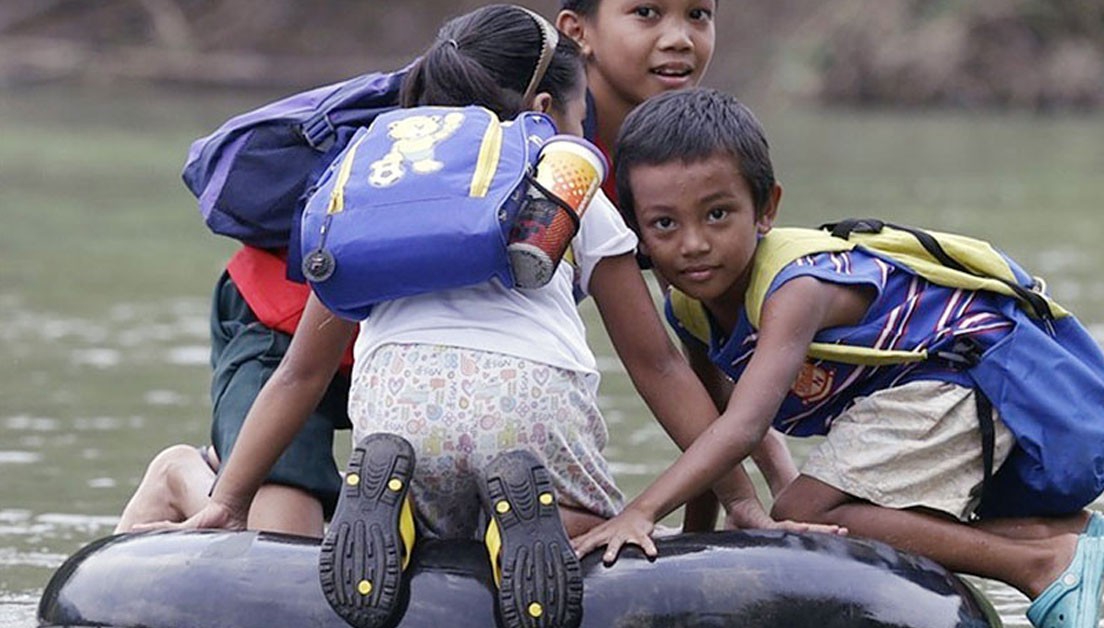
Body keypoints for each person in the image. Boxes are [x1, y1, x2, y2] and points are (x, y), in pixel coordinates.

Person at [140, 8, 837, 628]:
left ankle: (403, 513)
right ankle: (516, 528)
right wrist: (742, 502)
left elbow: (300, 374)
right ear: (545, 109)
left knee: (391, 486)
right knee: (582, 522)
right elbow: (657, 363)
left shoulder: (373, 183)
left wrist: (228, 503)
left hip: (397, 415)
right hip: (527, 422)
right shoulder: (569, 186)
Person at [570, 87, 1104, 628]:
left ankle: (1038, 564)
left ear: (766, 209)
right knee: (800, 508)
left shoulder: (795, 289)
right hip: (918, 390)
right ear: (636, 231)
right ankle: (1045, 537)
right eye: (665, 224)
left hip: (964, 371)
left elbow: (743, 427)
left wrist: (641, 512)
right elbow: (713, 423)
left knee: (801, 509)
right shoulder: (688, 305)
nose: (693, 244)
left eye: (717, 215)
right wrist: (705, 541)